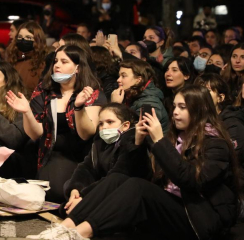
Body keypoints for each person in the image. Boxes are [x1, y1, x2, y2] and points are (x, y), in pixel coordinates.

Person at [27, 85, 241, 240]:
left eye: (183, 107)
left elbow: (189, 179)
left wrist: (157, 141)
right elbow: (133, 173)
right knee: (120, 179)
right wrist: (138, 143)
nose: (175, 111)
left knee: (138, 188)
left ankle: (77, 234)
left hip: (198, 218)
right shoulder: (175, 139)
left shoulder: (217, 145)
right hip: (172, 206)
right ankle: (65, 228)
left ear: (199, 111)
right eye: (174, 106)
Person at [7, 45, 106, 202]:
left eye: (64, 61)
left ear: (78, 68)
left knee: (61, 192)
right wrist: (27, 112)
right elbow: (35, 133)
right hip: (51, 154)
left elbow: (86, 133)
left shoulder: (91, 93)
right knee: (50, 191)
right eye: (55, 61)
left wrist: (79, 107)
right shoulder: (44, 91)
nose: (57, 65)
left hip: (81, 156)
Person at [59, 103, 151, 217]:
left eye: (110, 122)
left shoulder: (132, 140)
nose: (104, 127)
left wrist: (84, 196)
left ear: (126, 125)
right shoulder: (99, 141)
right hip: (102, 186)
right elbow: (86, 167)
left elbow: (115, 179)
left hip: (122, 191)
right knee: (68, 184)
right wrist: (75, 190)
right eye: (101, 123)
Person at [111, 59, 169, 133]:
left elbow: (136, 134)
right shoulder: (131, 96)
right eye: (119, 76)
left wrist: (115, 105)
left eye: (123, 76)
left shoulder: (149, 102)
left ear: (138, 80)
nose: (118, 80)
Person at [6, 21, 47, 94]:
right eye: (20, 37)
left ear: (37, 40)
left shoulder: (42, 64)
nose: (23, 40)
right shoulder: (12, 59)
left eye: (28, 37)